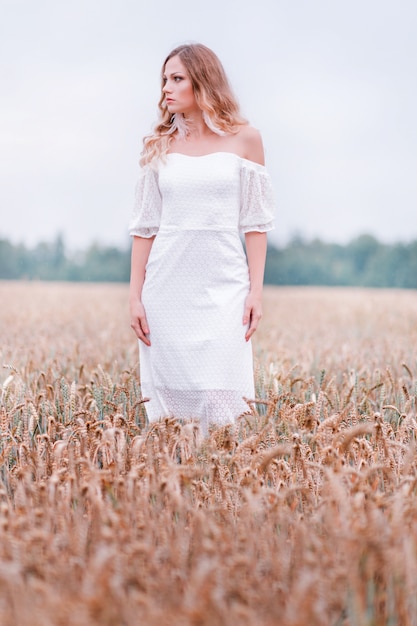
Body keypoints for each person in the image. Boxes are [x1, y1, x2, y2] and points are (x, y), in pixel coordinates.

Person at [129, 43, 275, 434]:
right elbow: (145, 229)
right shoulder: (158, 146)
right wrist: (135, 296)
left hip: (225, 285)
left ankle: (224, 479)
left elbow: (256, 224)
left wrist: (255, 291)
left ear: (203, 81)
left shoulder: (247, 139)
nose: (166, 88)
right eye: (164, 79)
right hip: (166, 288)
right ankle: (178, 478)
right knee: (173, 411)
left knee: (223, 399)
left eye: (177, 79)